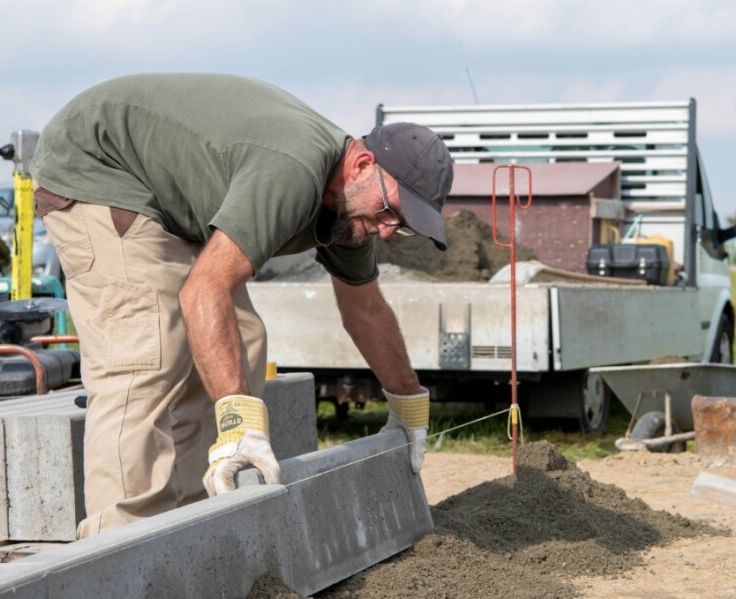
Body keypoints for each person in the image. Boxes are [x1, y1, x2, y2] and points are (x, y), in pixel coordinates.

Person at [30, 73, 454, 538]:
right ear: (363, 164)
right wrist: (237, 424)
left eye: (405, 225)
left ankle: (193, 525)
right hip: (100, 166)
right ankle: (119, 545)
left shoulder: (353, 209)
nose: (390, 230)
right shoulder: (294, 171)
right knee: (146, 350)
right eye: (392, 211)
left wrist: (408, 405)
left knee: (243, 337)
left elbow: (366, 310)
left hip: (167, 196)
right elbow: (203, 291)